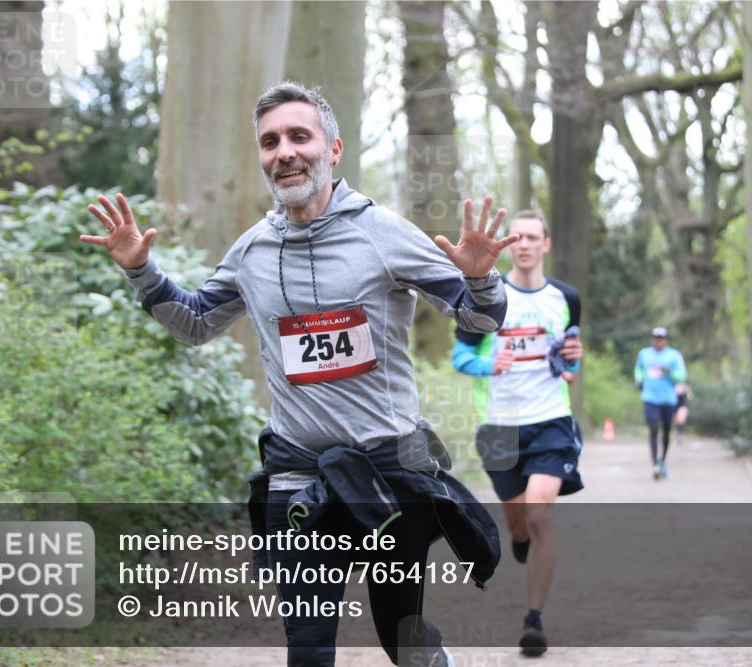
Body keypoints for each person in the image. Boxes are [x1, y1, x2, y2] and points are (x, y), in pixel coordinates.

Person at [81, 81, 520, 667]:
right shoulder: (252, 250)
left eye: (298, 136)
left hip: (388, 470)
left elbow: (480, 319)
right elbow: (193, 322)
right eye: (269, 142)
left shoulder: (383, 234)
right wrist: (142, 272)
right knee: (307, 647)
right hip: (298, 473)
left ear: (332, 149)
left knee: (403, 638)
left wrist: (482, 279)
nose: (283, 152)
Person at [451, 211, 584, 657]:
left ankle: (534, 619)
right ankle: (521, 539)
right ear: (509, 247)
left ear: (546, 244)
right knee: (518, 520)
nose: (524, 245)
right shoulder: (488, 297)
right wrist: (491, 364)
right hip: (500, 429)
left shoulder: (567, 297)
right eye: (518, 238)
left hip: (551, 422)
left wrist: (573, 360)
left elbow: (567, 356)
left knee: (539, 511)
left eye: (533, 237)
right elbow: (460, 359)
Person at [634, 327, 687, 480]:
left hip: (668, 399)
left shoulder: (674, 355)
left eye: (661, 338)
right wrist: (639, 379)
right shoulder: (644, 354)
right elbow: (639, 369)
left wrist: (669, 372)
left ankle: (662, 460)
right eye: (655, 338)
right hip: (650, 398)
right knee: (653, 428)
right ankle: (655, 465)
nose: (658, 341)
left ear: (665, 340)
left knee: (665, 430)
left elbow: (682, 376)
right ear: (652, 339)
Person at [673, 382, 693, 447]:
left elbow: (690, 397)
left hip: (682, 406)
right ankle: (678, 434)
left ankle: (680, 436)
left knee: (681, 421)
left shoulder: (684, 385)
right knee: (676, 422)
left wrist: (688, 390)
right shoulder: (671, 384)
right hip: (673, 406)